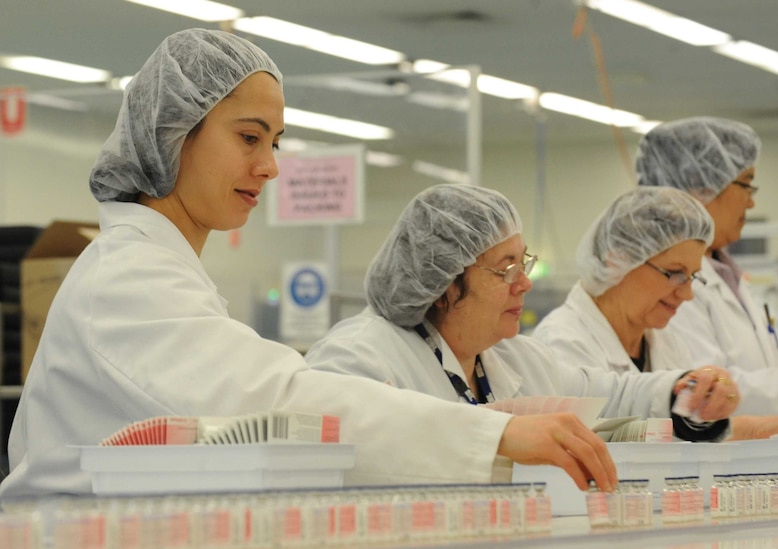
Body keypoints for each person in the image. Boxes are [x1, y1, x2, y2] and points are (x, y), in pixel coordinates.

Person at [0, 29, 619, 499]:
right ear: (173, 132)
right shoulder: (126, 280)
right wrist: (494, 436)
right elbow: (275, 399)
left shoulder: (163, 271)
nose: (270, 165)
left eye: (276, 142)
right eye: (249, 137)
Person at [305, 183, 738, 442]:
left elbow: (612, 395)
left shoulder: (517, 359)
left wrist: (687, 389)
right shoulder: (356, 357)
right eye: (505, 269)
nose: (524, 283)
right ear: (442, 283)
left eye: (522, 263)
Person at [532, 186, 778, 439]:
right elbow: (611, 438)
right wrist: (753, 429)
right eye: (674, 274)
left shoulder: (665, 340)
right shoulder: (561, 344)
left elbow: (694, 431)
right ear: (618, 259)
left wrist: (762, 426)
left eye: (693, 276)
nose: (687, 294)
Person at [634, 117, 778, 418]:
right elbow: (708, 389)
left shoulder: (727, 275)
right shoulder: (673, 285)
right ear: (702, 187)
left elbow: (764, 371)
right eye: (746, 184)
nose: (751, 203)